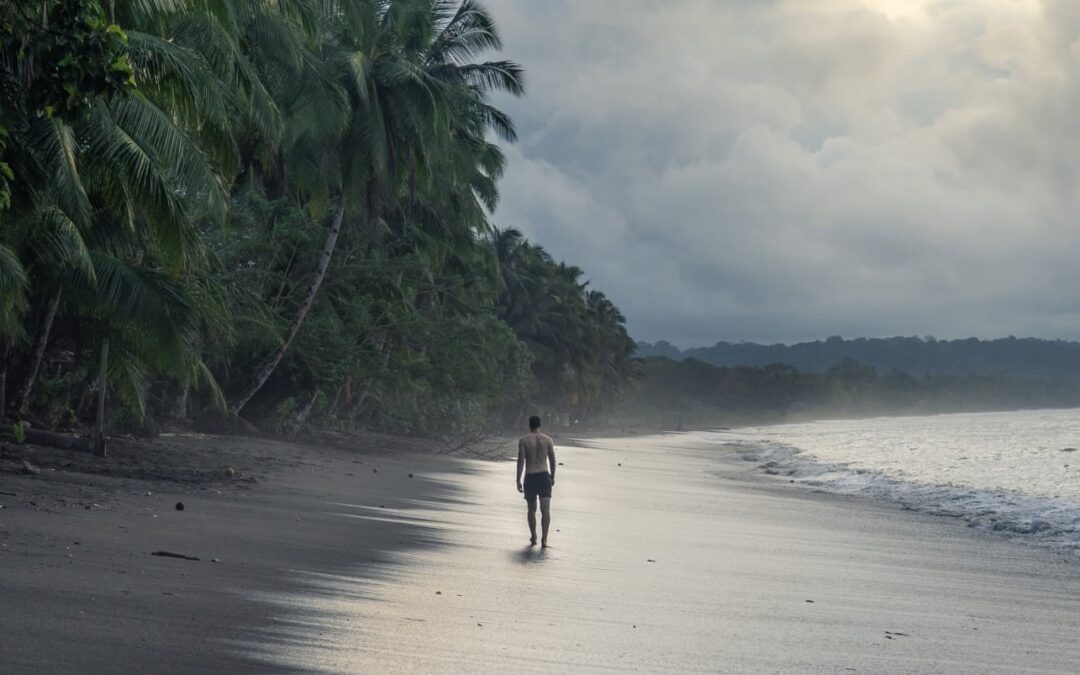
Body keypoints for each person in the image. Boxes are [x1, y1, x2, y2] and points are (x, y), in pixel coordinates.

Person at [516, 415, 556, 547]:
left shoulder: (524, 441)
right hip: (544, 476)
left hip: (531, 476)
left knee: (531, 509)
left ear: (529, 425)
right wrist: (552, 477)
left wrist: (518, 480)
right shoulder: (548, 440)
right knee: (545, 509)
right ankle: (544, 539)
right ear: (540, 425)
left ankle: (534, 536)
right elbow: (552, 461)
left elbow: (521, 461)